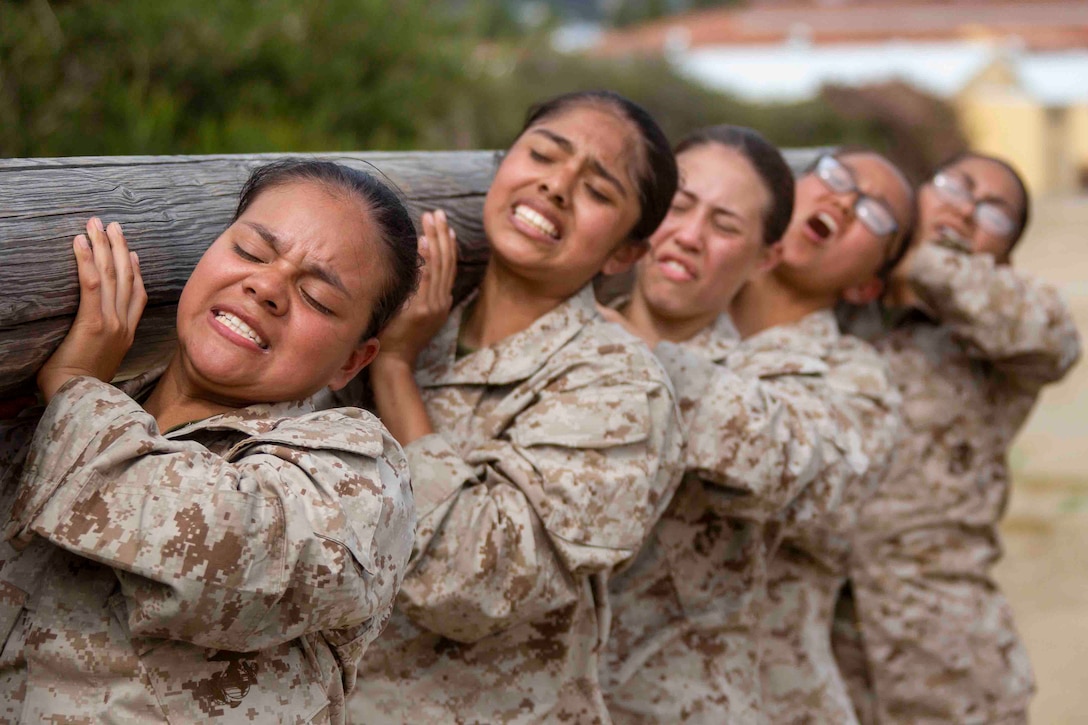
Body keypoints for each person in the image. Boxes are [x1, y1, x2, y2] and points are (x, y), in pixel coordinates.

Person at [0, 159, 419, 724]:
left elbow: (227, 554)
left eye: (318, 297)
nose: (267, 286)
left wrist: (75, 392)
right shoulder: (46, 412)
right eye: (249, 251)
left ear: (352, 360)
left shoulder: (359, 470)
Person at [342, 90, 683, 724]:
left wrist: (392, 371)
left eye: (599, 191)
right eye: (544, 155)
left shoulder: (620, 388)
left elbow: (468, 582)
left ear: (625, 254)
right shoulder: (414, 317)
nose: (556, 186)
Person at [601, 133, 906, 723]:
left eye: (875, 212)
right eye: (838, 177)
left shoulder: (851, 379)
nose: (844, 203)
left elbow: (807, 467)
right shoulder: (615, 304)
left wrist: (642, 354)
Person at [834, 152, 1081, 724]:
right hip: (818, 652)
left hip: (948, 661)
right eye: (953, 186)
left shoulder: (1003, 333)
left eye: (994, 213)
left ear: (1005, 256)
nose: (966, 208)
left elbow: (1054, 342)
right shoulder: (836, 308)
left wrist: (916, 256)